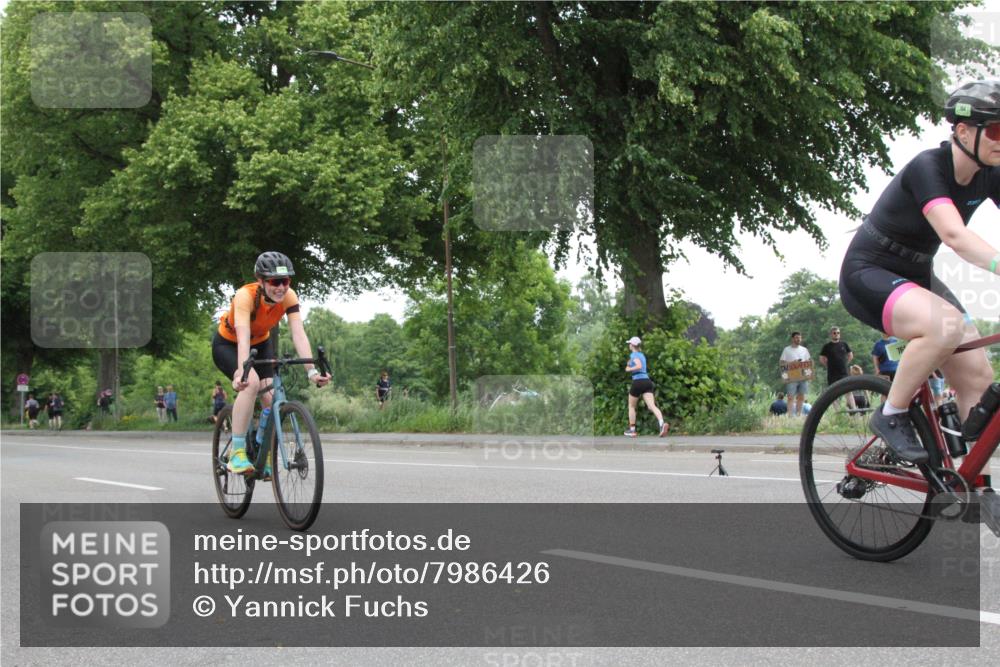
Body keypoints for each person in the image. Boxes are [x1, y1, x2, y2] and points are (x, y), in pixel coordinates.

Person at [838, 80, 999, 517]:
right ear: (964, 132)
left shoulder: (992, 173)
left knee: (978, 376)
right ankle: (891, 413)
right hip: (869, 272)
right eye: (998, 131)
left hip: (916, 275)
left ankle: (972, 483)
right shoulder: (927, 167)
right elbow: (954, 234)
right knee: (944, 324)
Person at [212, 251, 330, 477]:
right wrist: (242, 374)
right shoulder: (245, 296)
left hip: (262, 342)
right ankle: (237, 453)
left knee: (271, 396)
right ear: (261, 280)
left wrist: (312, 372)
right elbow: (243, 337)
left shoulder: (289, 297)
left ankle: (262, 450)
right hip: (229, 344)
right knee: (252, 383)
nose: (281, 288)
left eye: (285, 281)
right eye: (275, 282)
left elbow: (299, 334)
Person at [622, 336, 669, 438]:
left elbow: (638, 366)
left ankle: (632, 430)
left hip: (638, 381)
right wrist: (630, 365)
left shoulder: (633, 354)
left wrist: (629, 369)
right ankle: (661, 424)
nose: (629, 345)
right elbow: (640, 364)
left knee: (631, 406)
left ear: (632, 345)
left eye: (629, 344)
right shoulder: (642, 355)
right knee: (651, 406)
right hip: (647, 381)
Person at [819, 325, 856, 409]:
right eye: (834, 333)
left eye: (838, 333)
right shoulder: (827, 346)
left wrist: (845, 363)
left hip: (843, 372)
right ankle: (838, 412)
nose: (836, 334)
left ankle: (854, 410)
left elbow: (850, 355)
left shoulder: (844, 344)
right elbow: (821, 358)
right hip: (832, 373)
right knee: (833, 393)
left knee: (848, 391)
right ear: (831, 334)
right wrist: (828, 365)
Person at [779, 331, 812, 417]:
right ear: (792, 339)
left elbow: (808, 362)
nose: (798, 339)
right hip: (792, 376)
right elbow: (782, 362)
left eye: (800, 338)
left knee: (801, 396)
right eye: (797, 337)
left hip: (802, 376)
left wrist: (809, 375)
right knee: (790, 396)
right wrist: (785, 375)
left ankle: (799, 414)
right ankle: (790, 415)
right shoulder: (787, 350)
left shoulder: (804, 350)